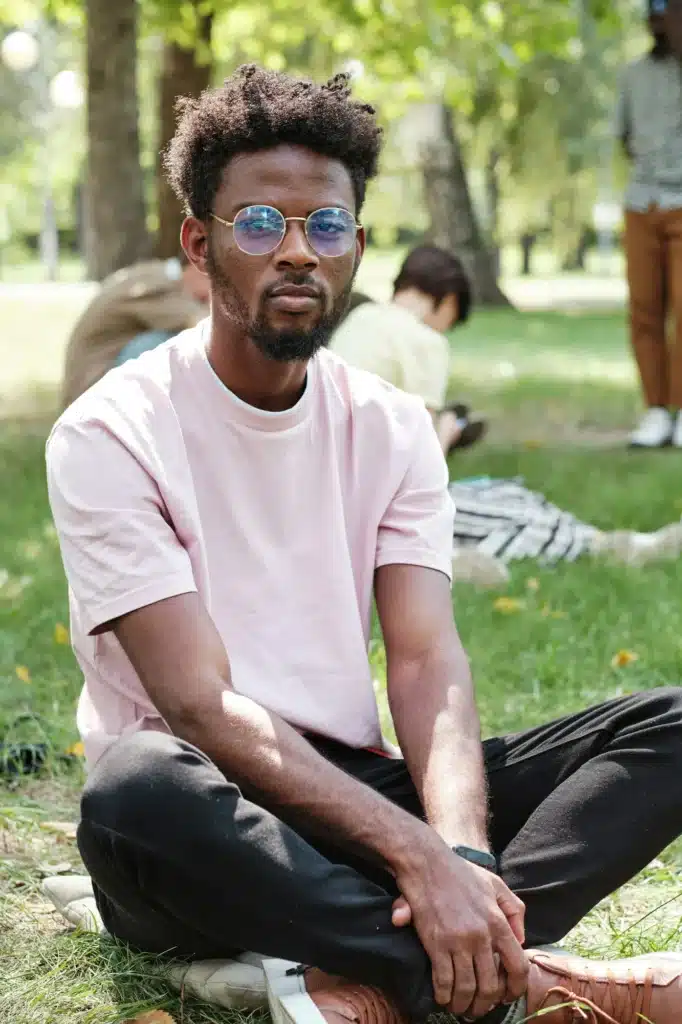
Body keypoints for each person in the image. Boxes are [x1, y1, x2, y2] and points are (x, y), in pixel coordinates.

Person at [45, 64, 682, 1024]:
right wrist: (415, 855)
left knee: (669, 726)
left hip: (354, 795)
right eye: (260, 224)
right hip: (206, 821)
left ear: (358, 246)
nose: (297, 252)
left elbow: (426, 656)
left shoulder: (390, 426)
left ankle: (396, 965)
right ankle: (528, 980)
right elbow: (198, 704)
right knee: (133, 784)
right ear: (199, 243)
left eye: (326, 226)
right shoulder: (109, 434)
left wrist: (458, 851)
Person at [332, 246, 486, 455]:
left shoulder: (360, 316)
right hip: (366, 469)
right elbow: (425, 460)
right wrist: (447, 432)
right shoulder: (427, 340)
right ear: (449, 301)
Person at [617, 0, 682, 448]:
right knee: (644, 310)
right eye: (658, 14)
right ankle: (656, 410)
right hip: (641, 205)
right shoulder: (632, 76)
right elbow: (624, 136)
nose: (663, 22)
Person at [59, 253, 210, 410]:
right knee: (171, 343)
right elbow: (203, 325)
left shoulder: (154, 275)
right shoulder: (158, 286)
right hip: (90, 396)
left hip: (97, 387)